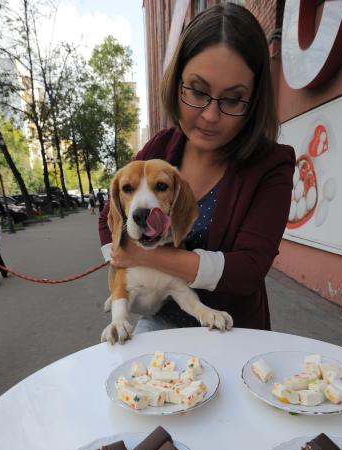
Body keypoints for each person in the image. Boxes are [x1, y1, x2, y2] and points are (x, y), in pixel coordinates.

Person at [99, 3, 295, 332]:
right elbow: (111, 219)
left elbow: (247, 270)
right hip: (157, 321)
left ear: (255, 101)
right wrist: (123, 270)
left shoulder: (272, 166)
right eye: (198, 91)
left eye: (232, 99)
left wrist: (142, 256)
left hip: (231, 330)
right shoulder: (160, 147)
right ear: (177, 83)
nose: (210, 115)